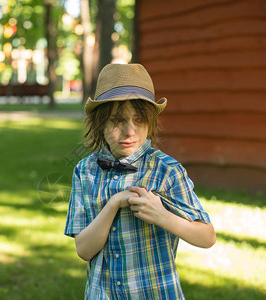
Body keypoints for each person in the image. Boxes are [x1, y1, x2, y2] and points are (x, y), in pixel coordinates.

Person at [64, 63, 216, 299]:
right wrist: (113, 203)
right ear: (100, 122)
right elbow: (84, 250)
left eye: (139, 119)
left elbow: (207, 237)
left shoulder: (167, 171)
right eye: (117, 120)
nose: (130, 131)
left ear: (150, 122)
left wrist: (162, 215)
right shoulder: (85, 171)